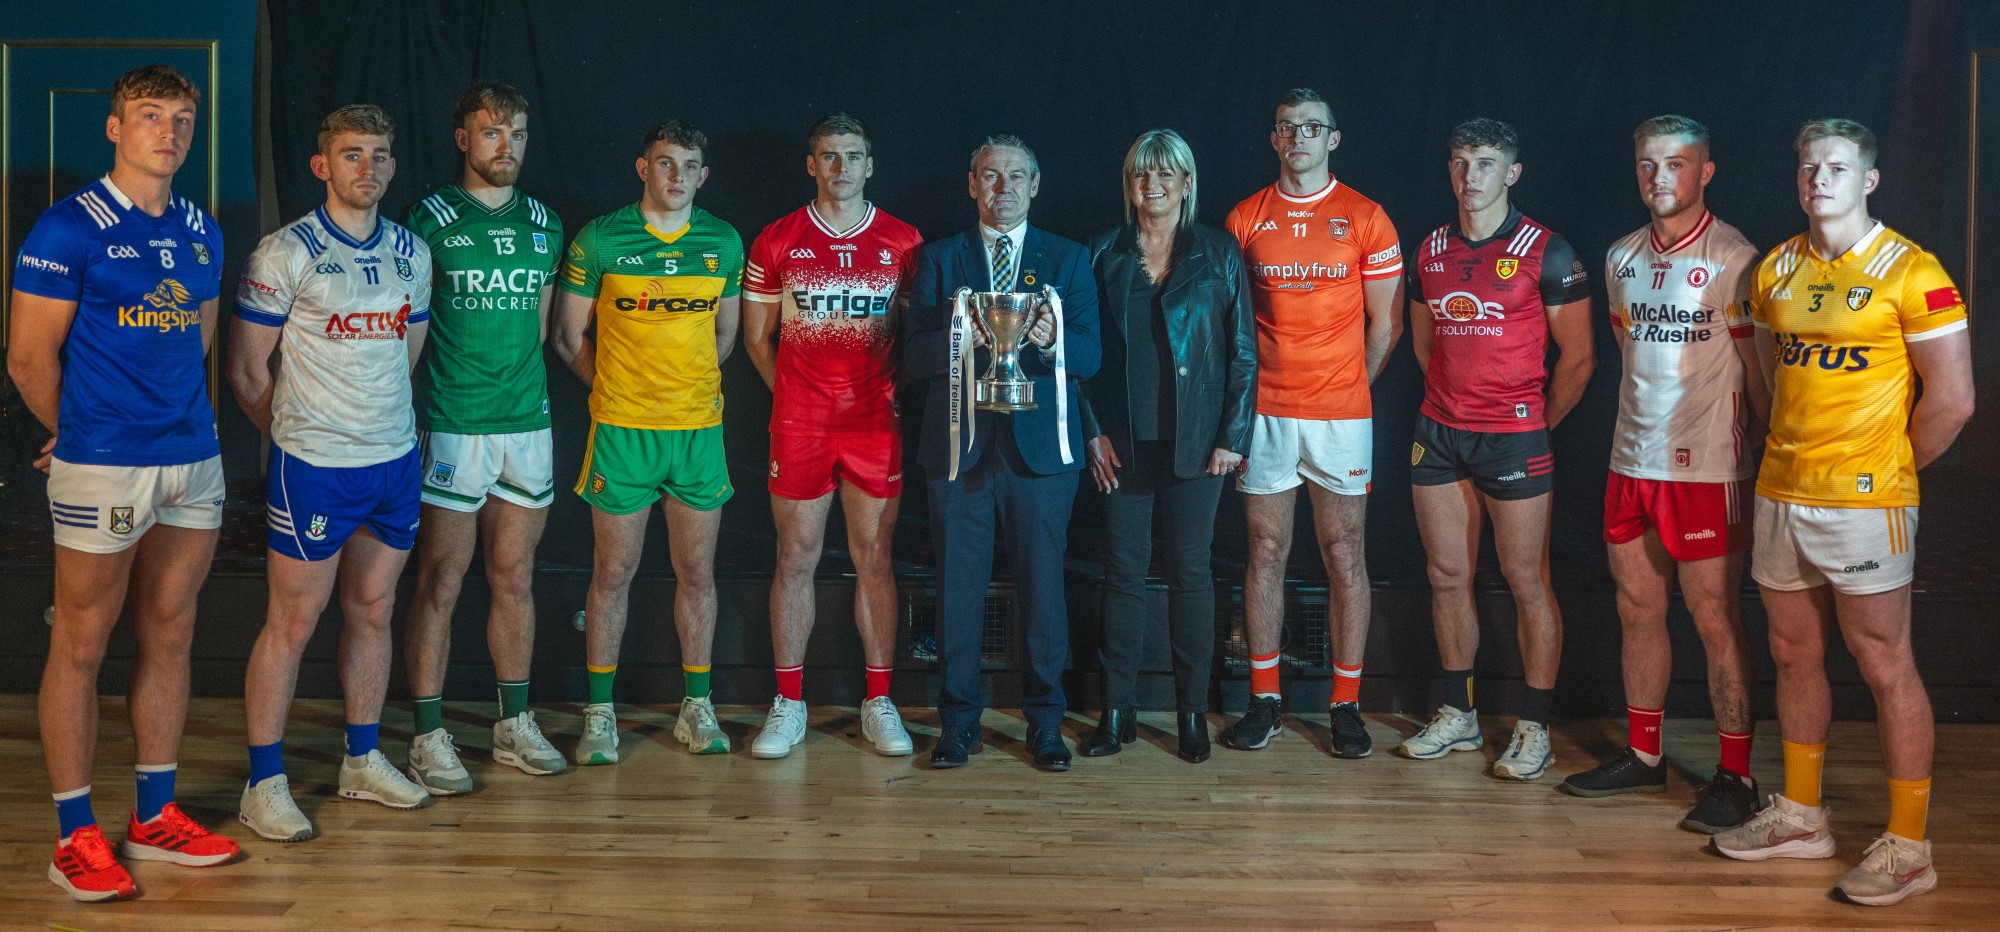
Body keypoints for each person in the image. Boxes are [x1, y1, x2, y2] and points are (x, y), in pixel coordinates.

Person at [1712, 119, 1973, 908]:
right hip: (1783, 493)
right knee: (1793, 653)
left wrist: (1884, 470)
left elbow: (1954, 402)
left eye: (1835, 167)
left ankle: (1908, 845)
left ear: (1869, 179)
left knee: (1884, 662)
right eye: (1807, 166)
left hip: (1866, 504)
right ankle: (1800, 816)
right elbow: (1767, 379)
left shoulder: (1913, 271)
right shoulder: (1775, 270)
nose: (1817, 178)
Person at [9, 64, 239, 901]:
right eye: (150, 115)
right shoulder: (69, 227)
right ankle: (75, 835)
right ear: (114, 127)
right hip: (105, 461)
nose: (169, 131)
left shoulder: (201, 229)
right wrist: (75, 434)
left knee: (171, 631)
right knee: (81, 639)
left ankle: (154, 817)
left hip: (193, 459)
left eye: (182, 117)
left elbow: (199, 338)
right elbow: (29, 357)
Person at [230, 104, 435, 841]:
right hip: (314, 467)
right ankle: (264, 781)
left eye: (380, 155)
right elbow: (248, 372)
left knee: (373, 611)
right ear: (322, 165)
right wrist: (297, 437)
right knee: (292, 621)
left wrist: (380, 430)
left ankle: (362, 758)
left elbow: (405, 355)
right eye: (352, 154)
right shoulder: (285, 252)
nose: (368, 168)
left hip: (392, 463)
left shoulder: (413, 250)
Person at [1560, 116, 1766, 834]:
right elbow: (1627, 345)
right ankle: (1644, 755)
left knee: (1715, 618)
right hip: (1631, 461)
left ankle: (1737, 777)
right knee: (1637, 608)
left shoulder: (1736, 256)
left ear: (1705, 171)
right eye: (1647, 164)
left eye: (1675, 164)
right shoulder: (1620, 257)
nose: (1659, 178)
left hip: (1707, 468)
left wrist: (1749, 451)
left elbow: (1760, 370)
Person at [1401, 118, 1593, 780]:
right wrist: (1454, 403)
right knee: (1446, 576)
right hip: (1439, 433)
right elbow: (1427, 344)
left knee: (1525, 580)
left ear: (1511, 172)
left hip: (1514, 438)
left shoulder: (1548, 250)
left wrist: (1534, 422)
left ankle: (1534, 728)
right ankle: (1458, 715)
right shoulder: (1428, 249)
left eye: (1484, 163)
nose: (1469, 175)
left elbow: (1580, 356)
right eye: (1459, 162)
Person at [905, 134, 1100, 772]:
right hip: (960, 451)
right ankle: (959, 724)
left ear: (1036, 184)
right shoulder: (938, 260)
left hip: (1040, 455)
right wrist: (964, 335)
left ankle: (1045, 723)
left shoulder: (1068, 260)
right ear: (972, 184)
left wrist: (1051, 340)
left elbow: (1091, 355)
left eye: (1016, 175)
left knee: (1043, 590)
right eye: (991, 176)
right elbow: (912, 355)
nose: (1004, 187)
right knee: (958, 590)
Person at [551, 120, 743, 763]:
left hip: (695, 432)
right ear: (643, 168)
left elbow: (725, 338)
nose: (677, 177)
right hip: (623, 432)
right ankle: (600, 715)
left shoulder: (722, 240)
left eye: (689, 166)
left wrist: (684, 391)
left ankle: (697, 707)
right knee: (613, 573)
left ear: (703, 175)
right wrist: (613, 388)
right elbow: (567, 337)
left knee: (697, 573)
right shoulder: (601, 238)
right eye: (665, 163)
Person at [1220, 87, 1403, 758]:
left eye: (1312, 127)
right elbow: (1229, 323)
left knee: (1343, 555)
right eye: (1286, 127)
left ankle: (1345, 705)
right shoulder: (1245, 217)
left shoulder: (1366, 217)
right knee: (1265, 553)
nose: (1298, 137)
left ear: (1334, 138)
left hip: (1340, 416)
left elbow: (1387, 323)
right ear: (1273, 139)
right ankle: (1264, 698)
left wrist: (1349, 384)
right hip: (1265, 412)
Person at [400, 81, 568, 794]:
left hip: (525, 423)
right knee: (440, 579)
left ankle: (513, 723)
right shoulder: (429, 217)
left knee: (516, 577)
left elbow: (540, 323)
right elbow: (407, 331)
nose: (508, 147)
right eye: (493, 133)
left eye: (519, 133)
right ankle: (429, 736)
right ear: (464, 139)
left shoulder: (546, 222)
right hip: (452, 422)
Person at [741, 114, 923, 758]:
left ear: (870, 164)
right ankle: (788, 703)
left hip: (875, 424)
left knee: (875, 556)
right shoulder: (777, 240)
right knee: (795, 557)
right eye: (828, 156)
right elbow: (757, 340)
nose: (841, 167)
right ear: (811, 165)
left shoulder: (903, 241)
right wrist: (795, 396)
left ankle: (879, 700)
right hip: (801, 426)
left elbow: (916, 337)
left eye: (853, 156)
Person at [1080, 129, 1255, 764]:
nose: (1151, 185)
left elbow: (1243, 354)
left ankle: (1190, 716)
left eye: (1165, 174)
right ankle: (1115, 711)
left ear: (1186, 183)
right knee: (1122, 576)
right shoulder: (1101, 251)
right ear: (1128, 184)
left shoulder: (1219, 251)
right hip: (1121, 446)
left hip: (1198, 447)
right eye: (1139, 175)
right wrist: (1090, 430)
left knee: (1190, 577)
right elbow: (1078, 356)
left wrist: (1232, 438)